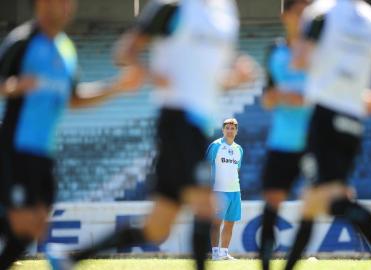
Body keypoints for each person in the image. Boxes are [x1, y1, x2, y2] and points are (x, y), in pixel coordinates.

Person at [47, 0, 255, 270]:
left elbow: (209, 79)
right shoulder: (172, 8)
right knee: (206, 205)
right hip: (177, 119)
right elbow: (124, 52)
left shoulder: (226, 13)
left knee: (157, 228)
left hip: (199, 124)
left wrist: (235, 79)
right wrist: (149, 74)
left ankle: (71, 257)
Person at [0, 0, 143, 268]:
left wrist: (118, 87)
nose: (69, 7)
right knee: (24, 222)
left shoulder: (65, 48)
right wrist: (14, 86)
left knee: (33, 227)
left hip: (45, 153)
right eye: (63, 2)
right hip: (16, 148)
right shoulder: (22, 41)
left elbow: (74, 99)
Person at [282, 0, 371, 269]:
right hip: (353, 121)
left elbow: (300, 61)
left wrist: (293, 28)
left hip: (324, 116)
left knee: (330, 199)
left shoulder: (322, 14)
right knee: (313, 200)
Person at [258, 1, 311, 269]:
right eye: (300, 12)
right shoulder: (275, 52)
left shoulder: (320, 52)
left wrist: (286, 96)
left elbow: (317, 98)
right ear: (285, 16)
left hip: (315, 142)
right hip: (282, 141)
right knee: (272, 204)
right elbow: (267, 99)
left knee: (316, 206)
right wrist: (282, 97)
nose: (305, 18)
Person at [207, 118, 243, 260]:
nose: (229, 130)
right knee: (216, 223)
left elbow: (237, 169)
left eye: (232, 128)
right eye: (227, 128)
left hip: (235, 191)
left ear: (236, 131)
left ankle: (224, 252)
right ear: (223, 130)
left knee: (230, 223)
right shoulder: (216, 146)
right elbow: (206, 165)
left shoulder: (239, 149)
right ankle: (215, 253)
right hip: (218, 191)